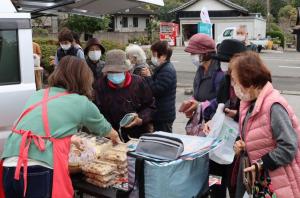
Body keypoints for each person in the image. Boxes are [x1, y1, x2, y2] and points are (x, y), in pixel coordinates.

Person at [1, 56, 120, 198]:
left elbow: (41, 127)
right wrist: (118, 141)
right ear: (84, 78)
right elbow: (106, 129)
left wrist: (72, 139)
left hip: (9, 164)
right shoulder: (81, 102)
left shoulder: (39, 94)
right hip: (39, 169)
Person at [231, 52, 300, 198]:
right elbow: (250, 134)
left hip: (277, 184)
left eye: (235, 81)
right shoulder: (248, 103)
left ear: (249, 81)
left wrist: (261, 164)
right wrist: (240, 143)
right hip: (256, 183)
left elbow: (289, 147)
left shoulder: (274, 106)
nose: (233, 85)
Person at [202, 39, 247, 198]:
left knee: (234, 181)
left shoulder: (250, 84)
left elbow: (257, 114)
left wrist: (238, 115)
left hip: (238, 144)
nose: (223, 66)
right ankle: (216, 195)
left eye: (225, 62)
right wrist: (209, 120)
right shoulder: (225, 80)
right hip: (220, 140)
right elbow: (218, 104)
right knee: (215, 176)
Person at [94, 49, 156, 142]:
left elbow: (151, 106)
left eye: (118, 71)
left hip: (137, 135)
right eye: (111, 72)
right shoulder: (100, 85)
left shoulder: (139, 82)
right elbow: (97, 112)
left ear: (126, 70)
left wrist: (141, 118)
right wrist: (107, 130)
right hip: (111, 136)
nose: (114, 75)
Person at [179, 34, 224, 121]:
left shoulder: (219, 72)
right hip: (201, 119)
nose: (191, 56)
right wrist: (191, 103)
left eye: (193, 53)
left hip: (214, 121)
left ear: (206, 53)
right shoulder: (200, 68)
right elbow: (197, 92)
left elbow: (222, 100)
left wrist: (200, 106)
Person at [141, 41, 177, 132]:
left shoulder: (167, 71)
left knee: (164, 141)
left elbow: (156, 90)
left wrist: (148, 76)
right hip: (161, 113)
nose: (152, 57)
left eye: (154, 54)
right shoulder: (162, 68)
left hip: (164, 115)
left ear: (163, 56)